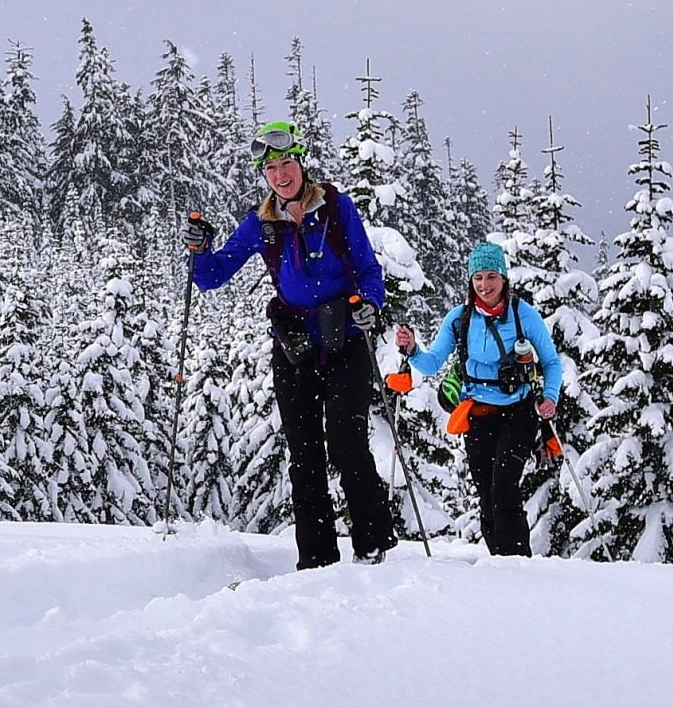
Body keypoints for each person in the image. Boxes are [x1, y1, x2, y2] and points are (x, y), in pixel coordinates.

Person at [185, 120, 400, 569]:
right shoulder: (261, 223)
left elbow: (369, 270)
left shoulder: (337, 210)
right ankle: (316, 561)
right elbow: (211, 276)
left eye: (286, 163)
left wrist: (371, 305)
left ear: (300, 161)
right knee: (304, 457)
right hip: (294, 348)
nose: (281, 175)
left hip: (346, 342)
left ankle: (372, 545)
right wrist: (200, 251)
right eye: (271, 169)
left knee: (346, 444)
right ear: (264, 176)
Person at [394, 241, 563, 559]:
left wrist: (549, 397)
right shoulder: (459, 319)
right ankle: (498, 561)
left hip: (518, 411)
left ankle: (516, 564)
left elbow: (552, 363)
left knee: (504, 490)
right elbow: (431, 364)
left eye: (491, 277)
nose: (484, 285)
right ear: (470, 281)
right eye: (478, 278)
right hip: (478, 414)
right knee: (486, 493)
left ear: (503, 278)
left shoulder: (522, 314)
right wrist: (413, 349)